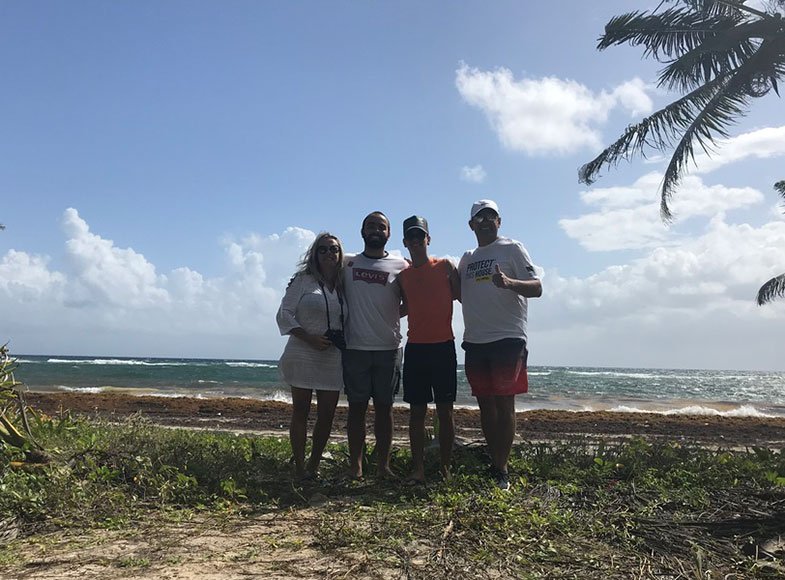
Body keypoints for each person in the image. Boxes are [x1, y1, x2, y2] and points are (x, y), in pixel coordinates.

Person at [457, 200, 542, 491]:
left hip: (507, 338)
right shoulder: (467, 258)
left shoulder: (512, 248)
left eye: (489, 217)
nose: (484, 221)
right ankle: (494, 460)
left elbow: (537, 287)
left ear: (499, 221)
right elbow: (459, 292)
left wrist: (508, 283)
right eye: (478, 218)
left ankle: (500, 469)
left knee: (505, 405)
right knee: (485, 406)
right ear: (471, 225)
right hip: (475, 340)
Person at [342, 211, 408, 479]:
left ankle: (383, 467)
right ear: (362, 231)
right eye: (370, 226)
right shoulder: (347, 263)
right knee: (356, 409)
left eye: (381, 227)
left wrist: (390, 314)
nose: (375, 230)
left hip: (388, 348)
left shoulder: (400, 265)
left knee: (385, 409)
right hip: (355, 347)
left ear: (389, 233)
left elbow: (412, 301)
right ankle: (355, 467)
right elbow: (317, 271)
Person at [276, 233, 346, 480]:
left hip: (332, 355)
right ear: (315, 254)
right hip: (303, 352)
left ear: (340, 255)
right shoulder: (303, 280)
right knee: (301, 411)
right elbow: (284, 314)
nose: (329, 253)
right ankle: (298, 467)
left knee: (327, 414)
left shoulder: (342, 284)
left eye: (334, 250)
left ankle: (313, 465)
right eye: (323, 249)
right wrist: (309, 338)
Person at [398, 215, 459, 482]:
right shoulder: (403, 276)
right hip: (416, 349)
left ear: (428, 239)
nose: (415, 241)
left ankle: (445, 468)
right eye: (410, 237)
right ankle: (418, 469)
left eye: (419, 236)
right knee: (416, 413)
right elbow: (399, 308)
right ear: (404, 242)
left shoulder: (445, 267)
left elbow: (465, 296)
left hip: (443, 347)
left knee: (445, 411)